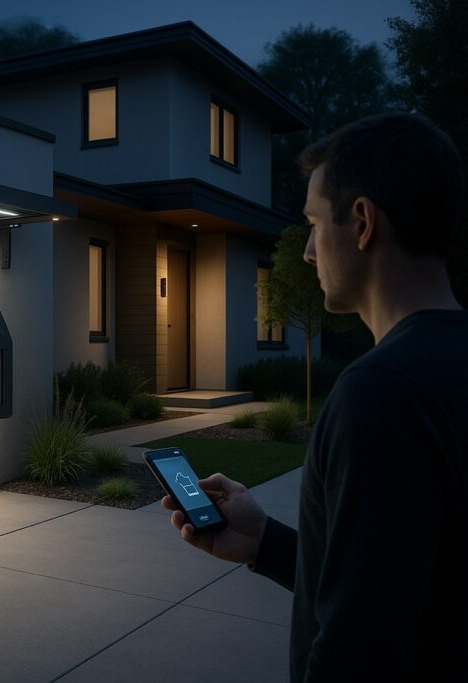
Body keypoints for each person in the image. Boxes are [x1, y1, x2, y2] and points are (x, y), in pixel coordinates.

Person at [160, 112, 467, 681]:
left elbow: (361, 649)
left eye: (313, 224)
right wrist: (262, 543)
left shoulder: (380, 393)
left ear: (362, 222)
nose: (306, 252)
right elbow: (397, 583)